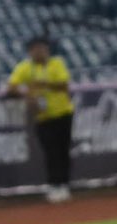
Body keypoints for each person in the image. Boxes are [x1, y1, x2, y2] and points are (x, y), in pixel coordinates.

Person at [7, 34, 75, 203]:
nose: (40, 52)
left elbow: (64, 85)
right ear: (30, 52)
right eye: (36, 49)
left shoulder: (56, 64)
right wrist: (26, 95)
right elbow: (11, 87)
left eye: (43, 49)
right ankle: (54, 185)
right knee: (50, 151)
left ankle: (64, 185)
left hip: (63, 113)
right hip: (43, 117)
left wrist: (43, 85)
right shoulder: (25, 68)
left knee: (63, 150)